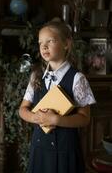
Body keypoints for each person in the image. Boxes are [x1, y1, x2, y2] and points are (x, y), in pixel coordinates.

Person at [19, 19, 96, 173]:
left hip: (66, 151)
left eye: (51, 41)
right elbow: (23, 109)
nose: (44, 46)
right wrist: (35, 118)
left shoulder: (77, 78)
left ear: (66, 44)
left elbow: (85, 118)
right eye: (41, 43)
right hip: (39, 148)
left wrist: (57, 120)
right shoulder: (35, 76)